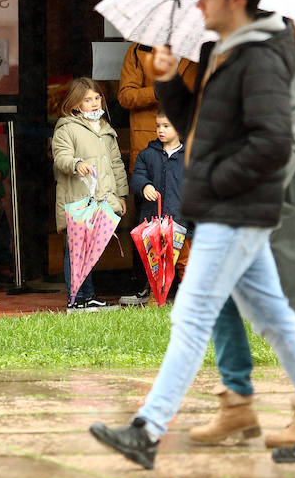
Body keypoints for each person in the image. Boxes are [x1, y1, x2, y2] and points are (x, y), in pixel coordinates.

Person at [89, 0, 295, 469]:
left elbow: (276, 143)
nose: (198, 2)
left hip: (234, 208)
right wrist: (167, 81)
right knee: (275, 318)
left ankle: (147, 430)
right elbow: (199, 127)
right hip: (229, 208)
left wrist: (215, 179)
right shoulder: (226, 53)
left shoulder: (261, 57)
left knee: (191, 316)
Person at [190, 47, 295, 449]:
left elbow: (282, 153)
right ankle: (237, 404)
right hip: (254, 213)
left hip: (292, 220)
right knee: (222, 298)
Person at [51, 77, 128, 311]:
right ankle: (76, 298)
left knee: (91, 250)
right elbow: (61, 157)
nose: (94, 103)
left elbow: (117, 165)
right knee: (76, 250)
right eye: (88, 100)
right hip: (77, 201)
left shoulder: (107, 130)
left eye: (97, 98)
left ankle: (88, 296)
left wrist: (121, 195)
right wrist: (76, 164)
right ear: (75, 104)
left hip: (102, 200)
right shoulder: (67, 128)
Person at [124, 111, 185, 305]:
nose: (160, 130)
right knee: (156, 262)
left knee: (185, 262)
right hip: (155, 220)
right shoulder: (147, 154)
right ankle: (155, 298)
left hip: (183, 220)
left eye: (166, 126)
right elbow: (138, 176)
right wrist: (145, 186)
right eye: (158, 126)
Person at [118, 43, 196, 172]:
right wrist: (156, 92)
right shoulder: (140, 49)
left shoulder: (199, 50)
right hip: (149, 140)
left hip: (187, 140)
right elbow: (125, 96)